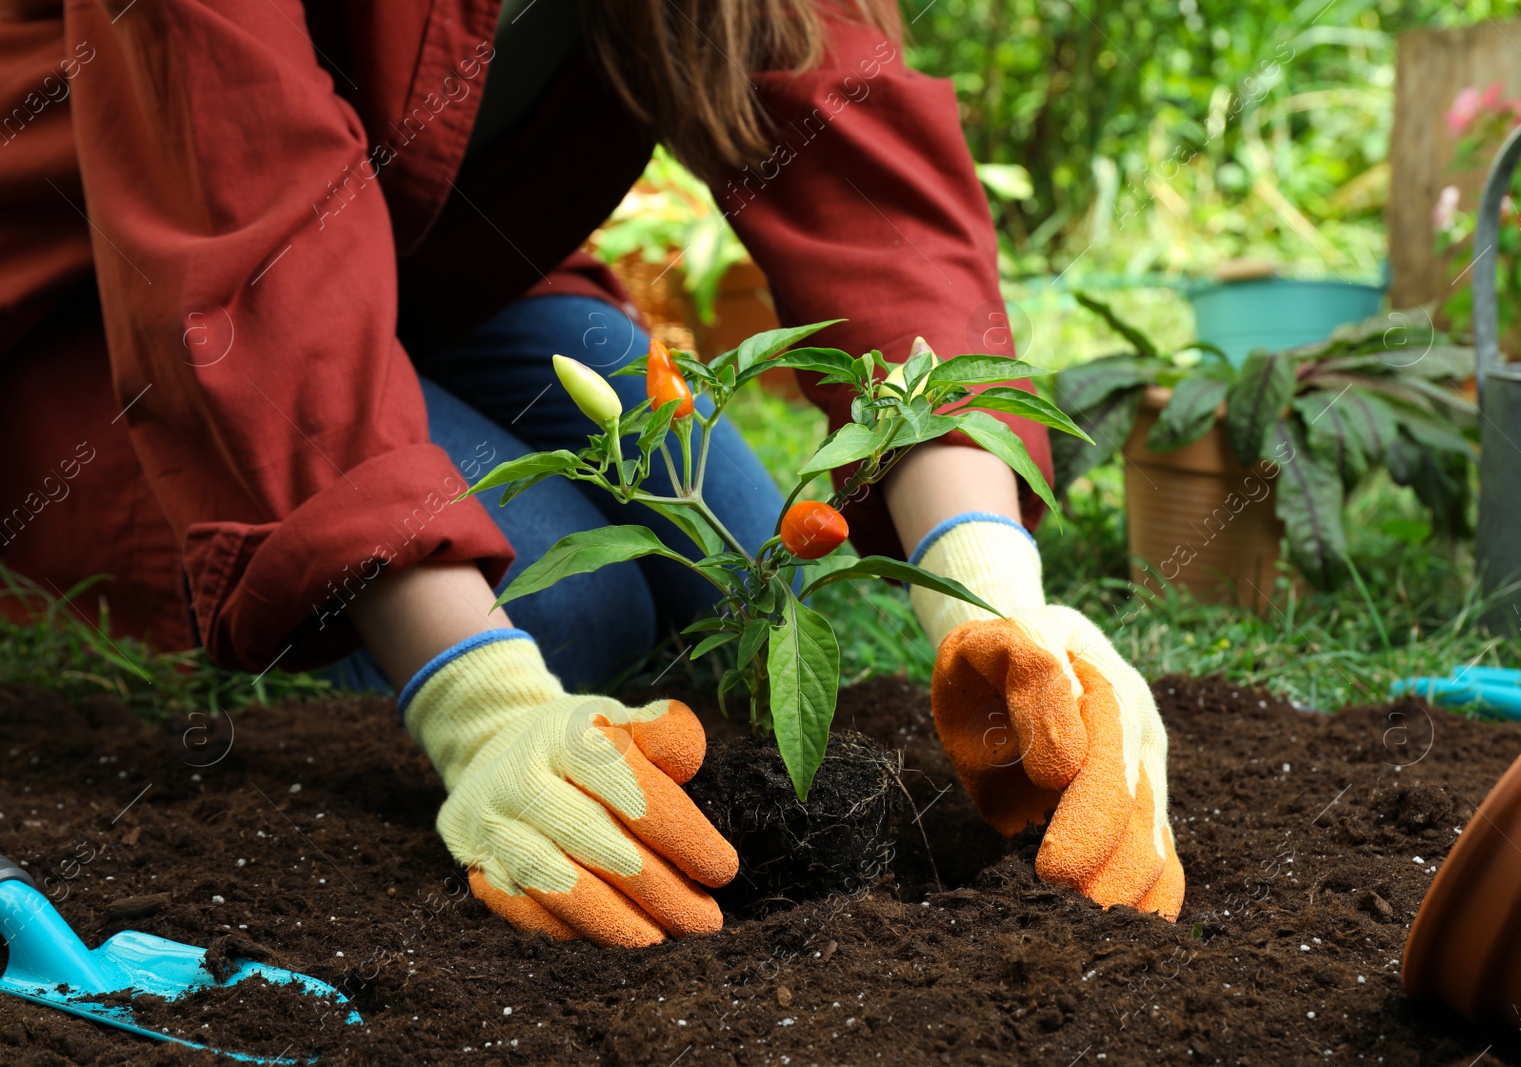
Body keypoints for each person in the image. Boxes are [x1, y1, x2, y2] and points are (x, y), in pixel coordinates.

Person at [0, 0, 1184, 946]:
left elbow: (863, 176)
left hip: (441, 275)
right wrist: (482, 704)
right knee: (569, 604)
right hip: (118, 304)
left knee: (737, 567)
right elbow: (241, 211)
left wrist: (996, 593)